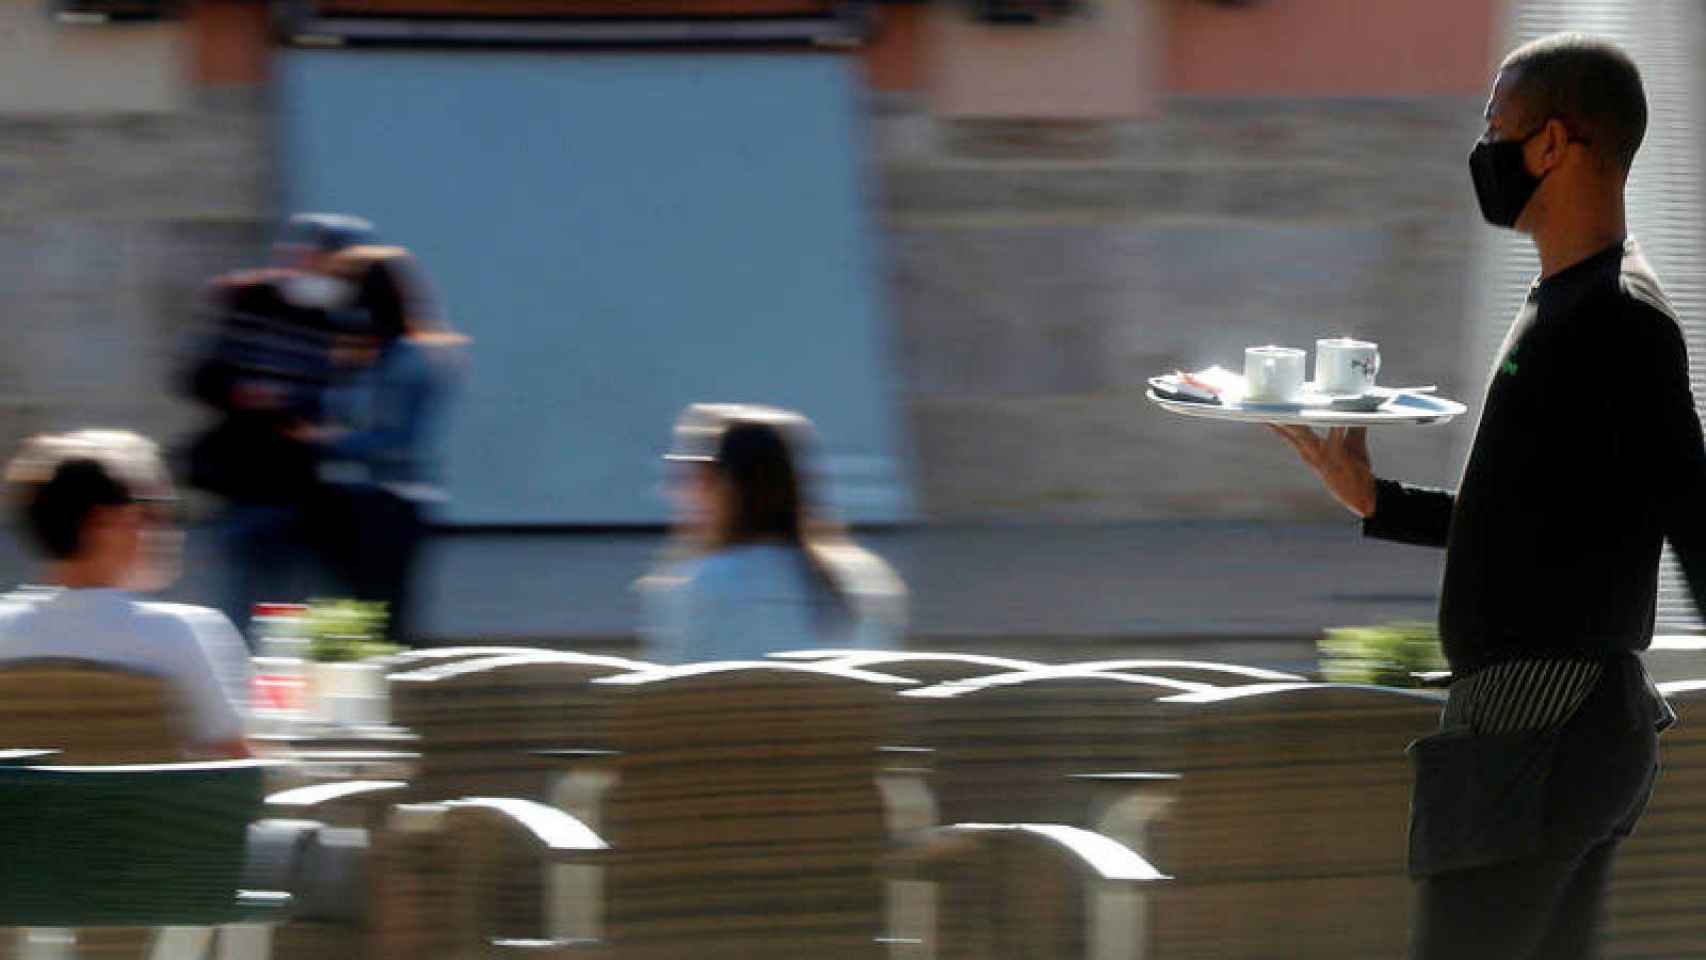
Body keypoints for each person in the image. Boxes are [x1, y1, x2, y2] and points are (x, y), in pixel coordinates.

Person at [1271, 35, 1693, 959]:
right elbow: (1528, 524)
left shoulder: (1619, 318)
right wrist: (1378, 499)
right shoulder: (1569, 298)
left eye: (1495, 127)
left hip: (1539, 739)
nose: (1483, 151)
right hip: (1546, 741)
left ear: (1553, 143)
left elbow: (1687, 510)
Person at [181, 213, 380, 639]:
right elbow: (197, 378)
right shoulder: (246, 300)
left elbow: (353, 396)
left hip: (310, 490)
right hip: (247, 481)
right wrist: (246, 393)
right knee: (242, 603)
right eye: (325, 261)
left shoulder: (344, 319)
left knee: (297, 612)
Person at [0, 430, 251, 759]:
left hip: (23, 812)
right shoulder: (177, 631)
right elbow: (239, 766)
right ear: (106, 522)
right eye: (143, 514)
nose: (153, 529)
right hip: (152, 811)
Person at [638, 403, 906, 664]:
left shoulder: (698, 589)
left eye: (692, 480)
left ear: (724, 488)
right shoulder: (864, 582)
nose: (675, 494)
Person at [296, 245, 466, 647]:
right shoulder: (361, 353)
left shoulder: (407, 359)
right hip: (344, 505)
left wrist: (331, 441)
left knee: (380, 628)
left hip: (385, 506)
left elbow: (398, 439)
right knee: (343, 629)